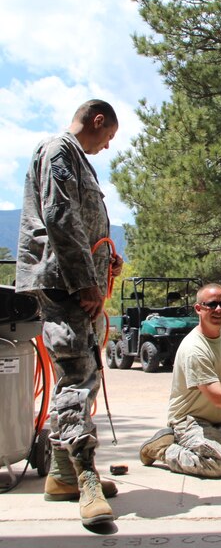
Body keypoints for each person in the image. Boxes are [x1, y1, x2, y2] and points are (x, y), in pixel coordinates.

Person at [15, 100, 124, 526]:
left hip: (76, 282)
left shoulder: (75, 157)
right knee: (79, 375)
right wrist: (86, 281)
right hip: (66, 285)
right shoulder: (59, 151)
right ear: (97, 121)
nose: (107, 147)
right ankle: (87, 477)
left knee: (79, 373)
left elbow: (83, 225)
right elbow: (61, 217)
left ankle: (63, 475)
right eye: (109, 137)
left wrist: (103, 265)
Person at [139, 283, 221, 477]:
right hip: (190, 421)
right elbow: (218, 397)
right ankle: (162, 449)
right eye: (212, 304)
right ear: (199, 309)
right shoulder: (194, 348)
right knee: (219, 464)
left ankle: (214, 445)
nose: (218, 309)